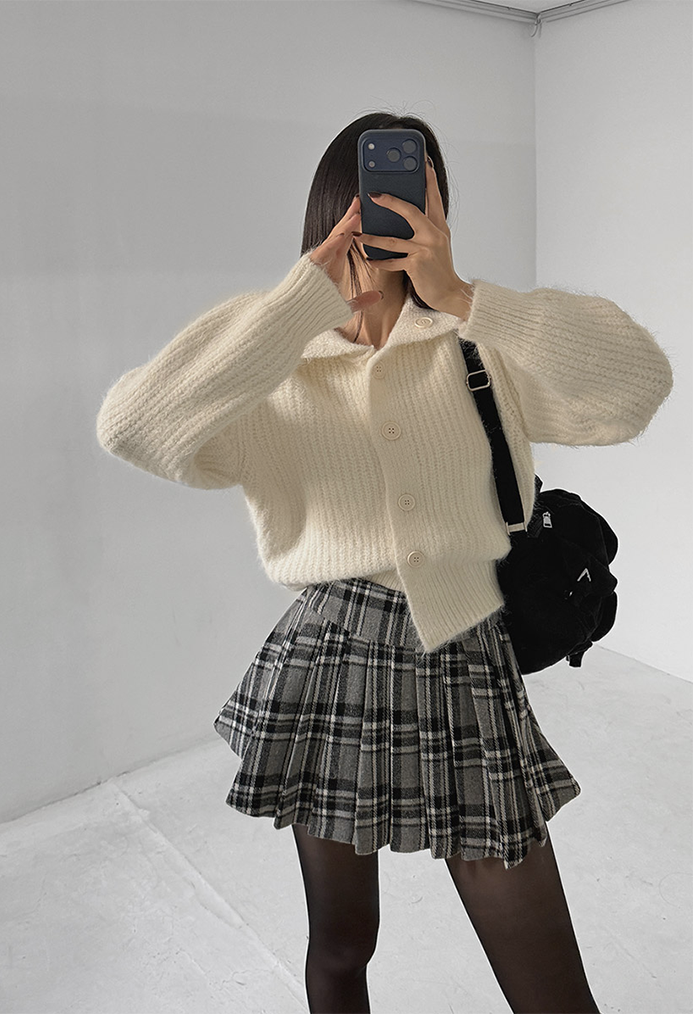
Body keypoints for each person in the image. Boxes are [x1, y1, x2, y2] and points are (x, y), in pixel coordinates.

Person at [96, 111, 673, 1014]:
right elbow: (132, 428)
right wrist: (299, 305)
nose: (393, 209)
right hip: (331, 662)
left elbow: (638, 386)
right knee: (340, 948)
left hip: (466, 650)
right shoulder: (269, 354)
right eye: (373, 192)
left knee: (553, 991)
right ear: (338, 205)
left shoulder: (478, 340)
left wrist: (466, 293)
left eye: (420, 191)